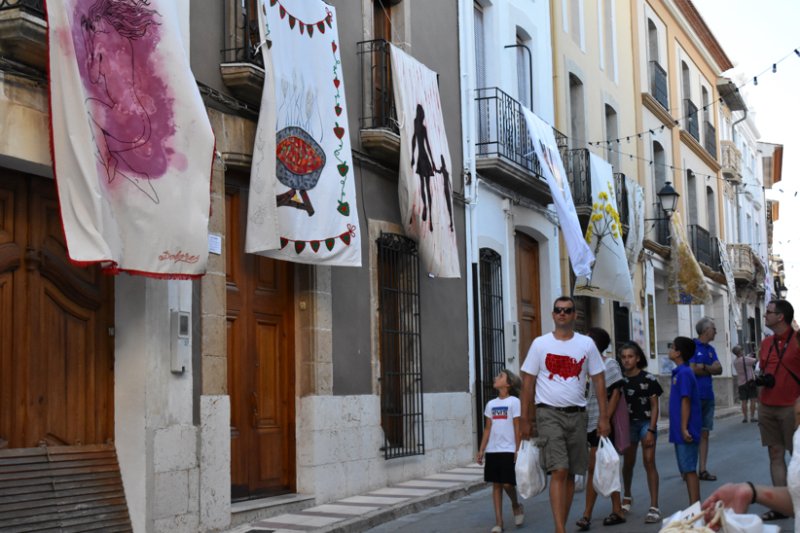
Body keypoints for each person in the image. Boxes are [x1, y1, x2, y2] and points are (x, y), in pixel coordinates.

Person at [520, 296, 609, 533]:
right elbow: (527, 383)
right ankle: (560, 529)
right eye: (558, 310)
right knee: (559, 469)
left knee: (571, 473)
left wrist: (603, 417)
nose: (562, 314)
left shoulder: (586, 345)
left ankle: (561, 524)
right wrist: (525, 419)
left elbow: (599, 380)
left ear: (574, 315)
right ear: (553, 315)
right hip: (548, 414)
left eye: (567, 310)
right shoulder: (540, 344)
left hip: (578, 416)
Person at [576, 328, 626, 530]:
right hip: (587, 421)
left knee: (596, 466)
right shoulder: (584, 367)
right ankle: (617, 508)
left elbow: (616, 393)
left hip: (601, 422)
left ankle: (587, 514)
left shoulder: (609, 364)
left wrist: (605, 420)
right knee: (602, 466)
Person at [757, 299, 800, 521]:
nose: (765, 315)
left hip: (792, 407)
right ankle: (783, 506)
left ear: (780, 317)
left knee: (797, 456)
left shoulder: (798, 341)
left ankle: (798, 502)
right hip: (767, 405)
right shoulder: (765, 343)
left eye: (769, 312)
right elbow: (763, 370)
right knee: (775, 454)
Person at [619, 341, 663, 524]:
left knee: (649, 461)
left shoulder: (649, 379)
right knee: (628, 463)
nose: (627, 360)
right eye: (623, 357)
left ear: (637, 358)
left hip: (646, 423)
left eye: (630, 356)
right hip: (627, 425)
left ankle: (654, 506)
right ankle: (627, 495)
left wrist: (652, 429)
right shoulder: (619, 380)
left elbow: (655, 406)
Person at [477, 369, 525, 532]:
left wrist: (518, 450)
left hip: (509, 449)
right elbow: (487, 429)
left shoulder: (514, 402)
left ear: (508, 384)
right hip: (493, 450)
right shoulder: (490, 404)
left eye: (500, 376)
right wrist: (482, 449)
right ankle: (499, 523)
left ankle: (515, 504)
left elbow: (517, 427)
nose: (495, 378)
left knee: (507, 484)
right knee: (496, 485)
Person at [669, 336, 703, 505]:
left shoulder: (684, 373)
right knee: (686, 469)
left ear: (678, 353)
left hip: (685, 430)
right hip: (679, 430)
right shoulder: (680, 372)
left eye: (672, 347)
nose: (670, 349)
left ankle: (695, 507)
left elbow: (686, 400)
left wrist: (683, 428)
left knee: (689, 470)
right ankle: (694, 507)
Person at [691, 317, 722, 482]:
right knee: (691, 433)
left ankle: (702, 469)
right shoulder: (691, 347)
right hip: (692, 396)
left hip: (708, 397)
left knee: (704, 433)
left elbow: (720, 369)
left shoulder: (711, 349)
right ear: (705, 330)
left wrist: (703, 367)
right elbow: (692, 370)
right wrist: (708, 368)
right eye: (713, 328)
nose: (715, 331)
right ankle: (688, 468)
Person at [732, 344, 758, 423]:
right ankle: (752, 417)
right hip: (750, 382)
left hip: (741, 383)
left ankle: (745, 417)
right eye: (741, 350)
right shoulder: (745, 359)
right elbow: (756, 360)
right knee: (753, 399)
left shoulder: (735, 361)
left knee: (744, 401)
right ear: (740, 352)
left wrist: (748, 356)